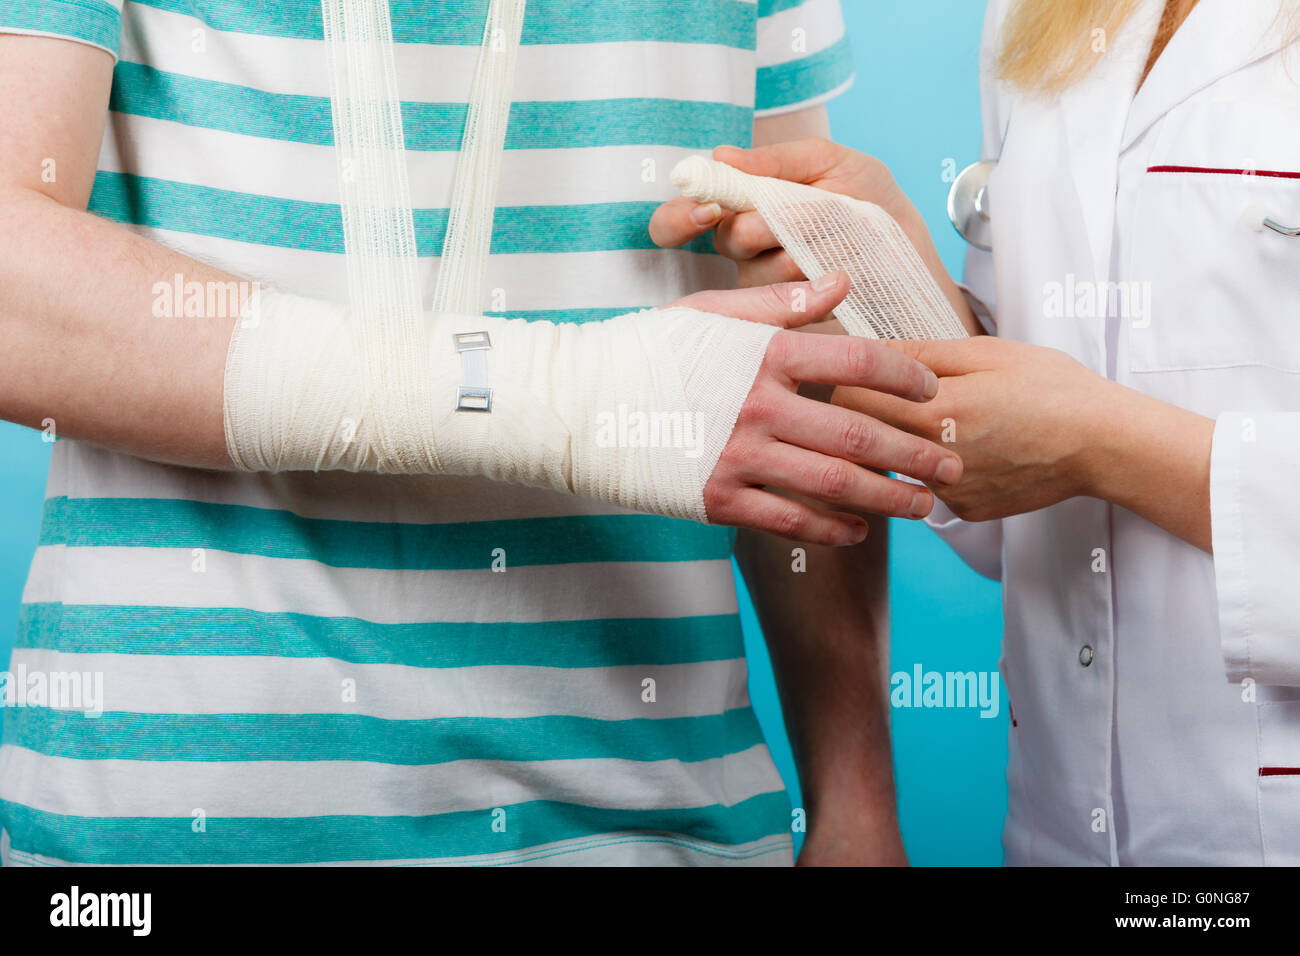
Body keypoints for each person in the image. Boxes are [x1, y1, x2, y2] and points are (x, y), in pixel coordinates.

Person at [0, 0, 961, 865]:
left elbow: (799, 334)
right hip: (182, 825)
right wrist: (573, 393)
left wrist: (857, 808)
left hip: (657, 822)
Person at [654, 0, 1300, 865]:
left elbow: (1074, 426)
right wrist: (890, 273)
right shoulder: (1041, 18)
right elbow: (1021, 500)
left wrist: (1101, 442)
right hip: (1061, 829)